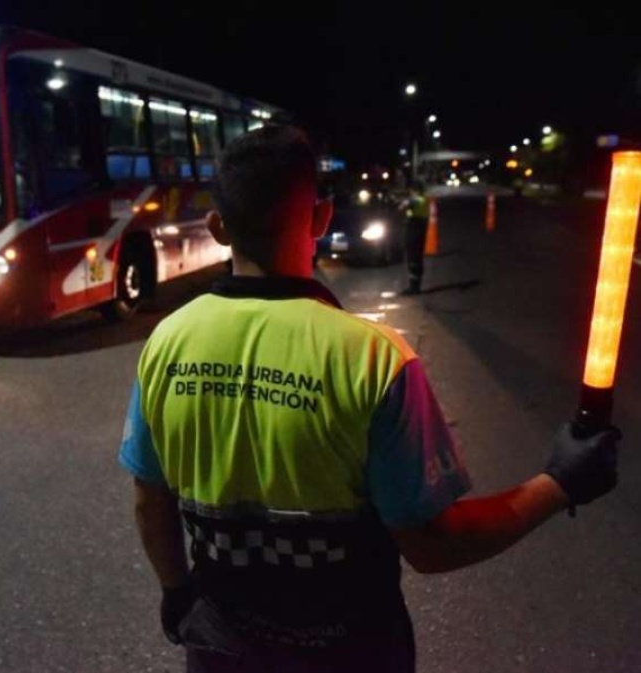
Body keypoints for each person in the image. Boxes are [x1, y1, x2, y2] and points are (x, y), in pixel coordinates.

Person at [118, 126, 619, 672]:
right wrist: (558, 483)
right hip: (350, 652)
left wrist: (176, 590)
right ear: (320, 218)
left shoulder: (167, 342)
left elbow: (151, 500)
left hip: (220, 647)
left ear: (217, 227)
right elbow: (433, 545)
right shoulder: (374, 359)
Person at [399, 180, 430, 295]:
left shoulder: (419, 200)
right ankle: (414, 285)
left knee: (414, 259)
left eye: (411, 190)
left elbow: (405, 205)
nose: (410, 192)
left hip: (416, 230)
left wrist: (403, 203)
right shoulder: (421, 199)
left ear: (415, 191)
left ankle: (414, 287)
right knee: (414, 259)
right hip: (416, 229)